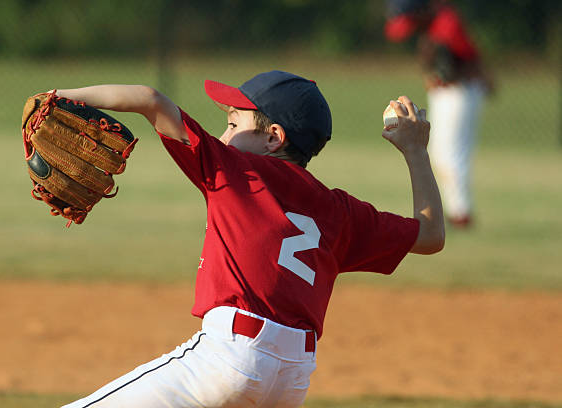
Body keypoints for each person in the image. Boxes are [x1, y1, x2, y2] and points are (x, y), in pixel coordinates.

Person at [56, 70, 444, 408]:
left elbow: (149, 99)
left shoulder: (234, 170)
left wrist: (55, 98)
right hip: (293, 380)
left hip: (229, 359)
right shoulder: (340, 211)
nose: (223, 136)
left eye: (233, 122)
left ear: (274, 137)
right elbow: (430, 234)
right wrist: (414, 150)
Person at [385, 0, 494, 228]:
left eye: (412, 20)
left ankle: (461, 213)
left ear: (421, 11)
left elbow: (469, 56)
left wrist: (480, 76)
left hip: (460, 92)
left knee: (451, 152)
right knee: (440, 151)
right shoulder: (433, 23)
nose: (411, 27)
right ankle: (458, 211)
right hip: (447, 93)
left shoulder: (447, 24)